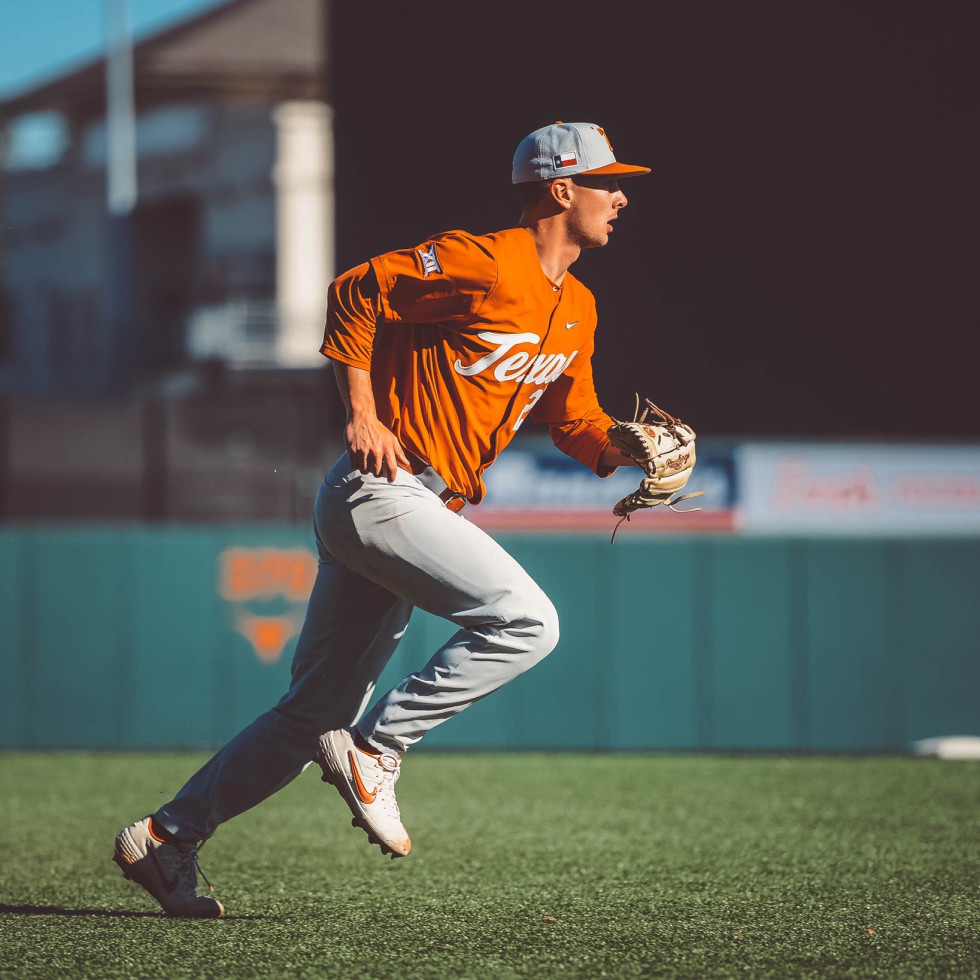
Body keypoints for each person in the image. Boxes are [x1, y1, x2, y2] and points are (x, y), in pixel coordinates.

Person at [113, 121, 651, 917]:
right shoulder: (483, 260)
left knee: (309, 718)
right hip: (382, 487)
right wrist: (362, 413)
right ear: (561, 188)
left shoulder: (579, 307)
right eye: (608, 181)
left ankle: (166, 837)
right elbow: (354, 290)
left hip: (413, 504)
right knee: (527, 622)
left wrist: (629, 451)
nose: (622, 196)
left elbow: (576, 419)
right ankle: (378, 748)